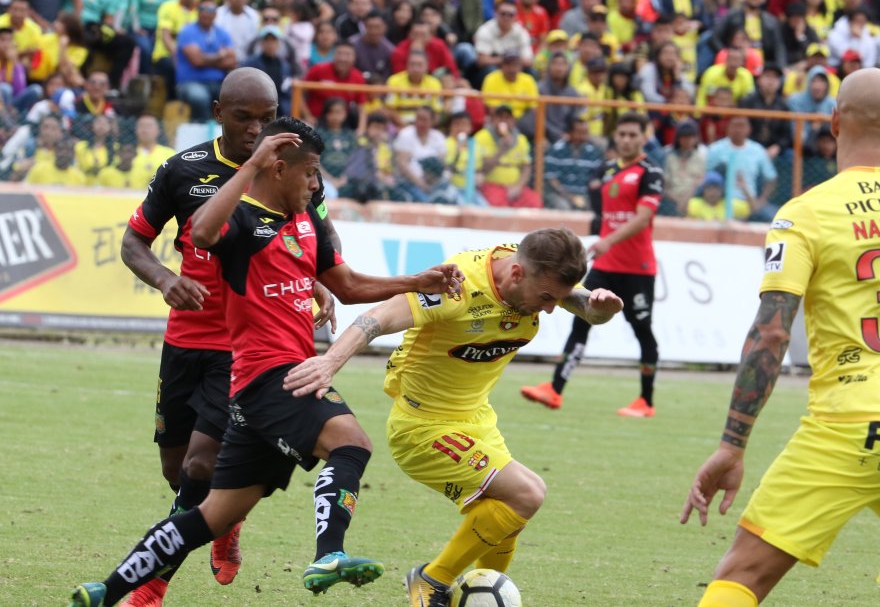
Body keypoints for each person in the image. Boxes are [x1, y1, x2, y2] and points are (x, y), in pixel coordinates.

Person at [72, 117, 465, 607]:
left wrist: (415, 281)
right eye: (311, 172)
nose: (316, 184)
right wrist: (250, 164)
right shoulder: (240, 222)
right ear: (278, 169)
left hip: (262, 386)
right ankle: (329, 554)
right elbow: (203, 230)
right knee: (351, 444)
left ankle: (105, 590)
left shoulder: (307, 222)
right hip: (270, 375)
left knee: (211, 514)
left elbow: (347, 285)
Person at [282, 228, 622, 607]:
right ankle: (432, 579)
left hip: (477, 419)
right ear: (516, 274)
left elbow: (581, 305)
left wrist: (600, 311)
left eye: (555, 300)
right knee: (527, 493)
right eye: (545, 299)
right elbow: (378, 318)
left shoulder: (535, 270)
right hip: (423, 428)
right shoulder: (457, 288)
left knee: (505, 518)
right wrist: (329, 362)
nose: (549, 309)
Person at [116, 68, 340, 605]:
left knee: (200, 463)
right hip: (184, 340)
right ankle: (227, 517)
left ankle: (151, 583)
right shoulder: (183, 170)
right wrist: (165, 279)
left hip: (245, 346)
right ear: (218, 113)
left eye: (267, 117)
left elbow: (316, 234)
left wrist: (320, 280)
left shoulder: (295, 166)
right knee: (178, 470)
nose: (257, 129)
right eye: (244, 118)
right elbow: (133, 243)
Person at [679, 65, 880, 607]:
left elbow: (771, 334)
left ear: (834, 123)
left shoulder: (805, 214)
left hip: (847, 422)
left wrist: (733, 444)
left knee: (741, 576)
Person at [522, 113, 664, 416]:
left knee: (642, 330)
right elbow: (603, 215)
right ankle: (555, 389)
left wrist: (608, 240)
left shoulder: (650, 172)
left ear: (643, 137)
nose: (626, 140)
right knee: (581, 318)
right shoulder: (606, 170)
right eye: (621, 134)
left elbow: (643, 218)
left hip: (637, 268)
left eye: (632, 135)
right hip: (605, 264)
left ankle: (646, 401)